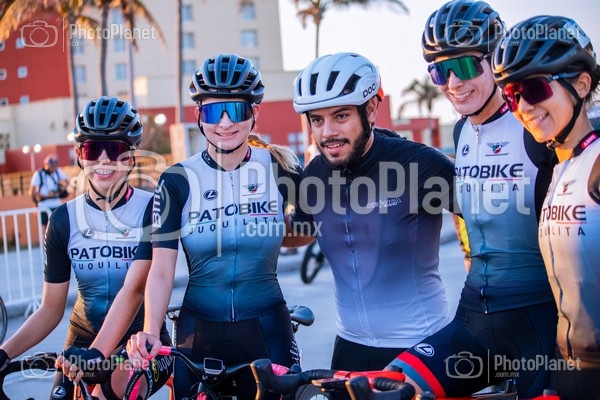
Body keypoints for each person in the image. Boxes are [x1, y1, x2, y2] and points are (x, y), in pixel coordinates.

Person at [386, 1, 559, 398]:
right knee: (388, 387)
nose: (452, 82)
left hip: (537, 325)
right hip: (473, 322)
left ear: (496, 59)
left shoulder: (535, 128)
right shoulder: (462, 132)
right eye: (439, 70)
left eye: (465, 66)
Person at [127, 53, 310, 400]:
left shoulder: (281, 168)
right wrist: (150, 329)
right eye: (213, 112)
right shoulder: (177, 180)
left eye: (236, 110)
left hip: (267, 326)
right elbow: (162, 269)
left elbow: (307, 230)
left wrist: (269, 230)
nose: (225, 123)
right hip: (199, 330)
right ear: (198, 115)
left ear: (254, 113)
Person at [290, 51, 456, 372]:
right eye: (317, 120)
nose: (327, 133)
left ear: (370, 110)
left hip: (419, 345)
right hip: (349, 347)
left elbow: (487, 222)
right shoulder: (315, 174)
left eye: (340, 116)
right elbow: (299, 231)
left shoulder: (417, 164)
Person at [0, 96, 173, 400]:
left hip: (138, 342)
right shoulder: (63, 220)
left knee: (114, 393)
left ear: (131, 156)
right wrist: (4, 353)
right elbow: (50, 309)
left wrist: (97, 354)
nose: (103, 160)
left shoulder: (152, 208)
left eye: (115, 150)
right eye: (93, 149)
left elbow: (134, 292)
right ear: (80, 155)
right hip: (81, 342)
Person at [492, 15, 600, 399]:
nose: (523, 105)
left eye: (535, 88)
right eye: (512, 95)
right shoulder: (557, 169)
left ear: (581, 84)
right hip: (567, 370)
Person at [29, 154, 69, 227]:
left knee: (58, 226)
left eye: (55, 165)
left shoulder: (58, 171)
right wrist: (47, 196)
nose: (53, 168)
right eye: (52, 165)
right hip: (44, 205)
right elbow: (32, 191)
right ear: (46, 164)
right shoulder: (39, 174)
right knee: (45, 226)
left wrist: (61, 188)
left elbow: (67, 181)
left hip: (56, 203)